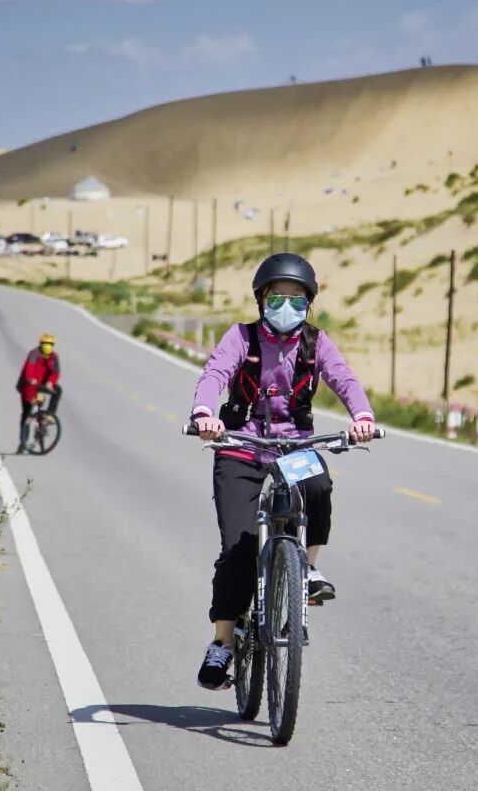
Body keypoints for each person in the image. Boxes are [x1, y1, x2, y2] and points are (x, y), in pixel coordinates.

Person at [189, 253, 376, 690]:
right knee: (238, 546)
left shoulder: (316, 342)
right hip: (241, 444)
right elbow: (215, 372)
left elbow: (344, 379)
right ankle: (223, 644)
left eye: (297, 299)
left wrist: (362, 416)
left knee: (319, 485)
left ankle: (306, 570)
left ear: (308, 304)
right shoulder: (241, 337)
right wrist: (204, 414)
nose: (287, 306)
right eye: (278, 298)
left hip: (295, 445)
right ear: (262, 300)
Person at [16, 334, 61, 453]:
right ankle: (23, 442)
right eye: (46, 344)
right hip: (28, 386)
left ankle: (49, 415)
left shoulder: (54, 357)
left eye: (50, 344)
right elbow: (28, 369)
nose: (48, 347)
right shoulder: (34, 354)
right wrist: (31, 379)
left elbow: (55, 373)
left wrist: (50, 382)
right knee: (27, 414)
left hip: (42, 385)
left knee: (58, 390)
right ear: (41, 345)